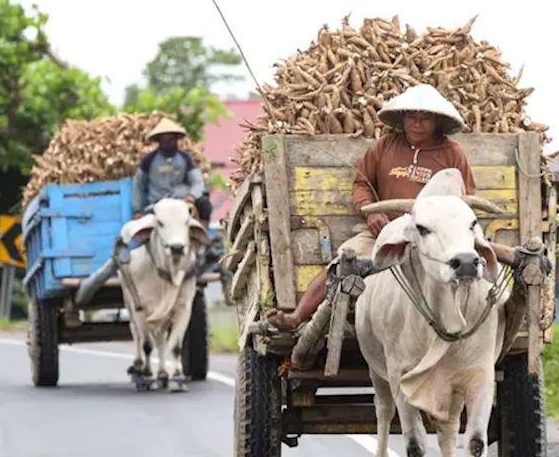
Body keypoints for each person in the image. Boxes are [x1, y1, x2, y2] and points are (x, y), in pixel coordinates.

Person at [265, 83, 490, 332]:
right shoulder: (384, 146)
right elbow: (361, 183)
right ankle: (296, 317)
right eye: (412, 117)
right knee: (344, 261)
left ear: (437, 122)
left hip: (433, 234)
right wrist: (371, 211)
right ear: (402, 119)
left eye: (425, 118)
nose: (417, 124)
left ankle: (476, 321)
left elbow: (465, 198)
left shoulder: (452, 153)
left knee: (471, 262)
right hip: (385, 231)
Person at [131, 117, 213, 226]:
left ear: (176, 139)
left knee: (204, 204)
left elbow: (197, 180)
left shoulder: (185, 158)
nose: (168, 142)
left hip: (182, 201)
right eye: (165, 139)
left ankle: (203, 236)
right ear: (159, 140)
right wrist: (137, 210)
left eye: (171, 138)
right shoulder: (149, 159)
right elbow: (138, 183)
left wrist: (191, 196)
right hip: (158, 203)